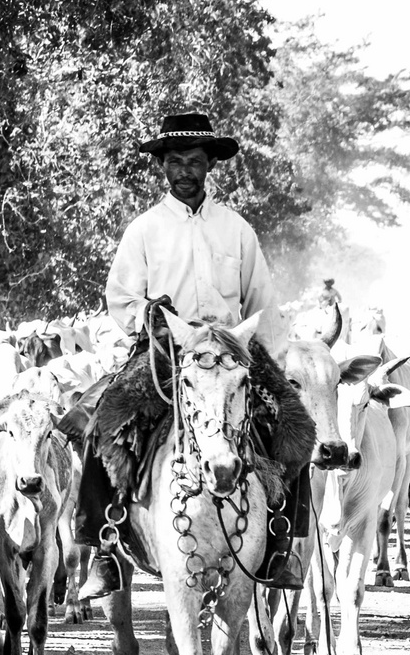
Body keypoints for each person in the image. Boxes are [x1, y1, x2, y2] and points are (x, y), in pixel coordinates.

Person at [76, 113, 309, 600]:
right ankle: (104, 544)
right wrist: (149, 313)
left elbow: (261, 302)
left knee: (295, 423)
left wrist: (273, 360)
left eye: (196, 161)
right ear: (163, 166)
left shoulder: (237, 229)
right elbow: (120, 298)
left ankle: (282, 540)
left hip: (230, 348)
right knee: (103, 420)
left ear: (209, 166)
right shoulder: (144, 230)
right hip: (165, 347)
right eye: (176, 161)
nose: (186, 170)